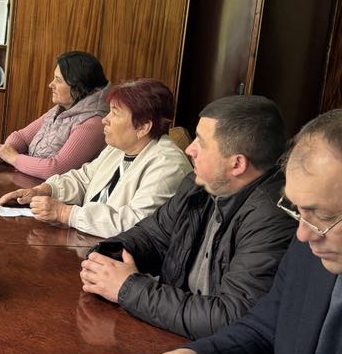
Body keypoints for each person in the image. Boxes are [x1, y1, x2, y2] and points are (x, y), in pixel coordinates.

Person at [136, 109, 342, 354]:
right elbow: (265, 330)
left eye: (323, 216)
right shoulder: (314, 244)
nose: (302, 234)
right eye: (297, 210)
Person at [80, 95, 295, 338]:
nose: (189, 149)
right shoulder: (198, 184)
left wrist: (127, 288)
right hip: (170, 331)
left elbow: (231, 318)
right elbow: (152, 235)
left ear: (237, 164)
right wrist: (105, 257)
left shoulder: (273, 219)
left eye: (200, 142)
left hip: (206, 350)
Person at [0, 79, 190, 235]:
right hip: (89, 242)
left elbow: (136, 224)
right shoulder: (118, 148)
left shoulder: (168, 165)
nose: (105, 119)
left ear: (143, 127)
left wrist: (65, 213)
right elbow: (84, 179)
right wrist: (43, 190)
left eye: (115, 113)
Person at [0, 51, 109, 179]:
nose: (51, 84)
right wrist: (6, 150)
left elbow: (56, 169)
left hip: (52, 189)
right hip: (32, 182)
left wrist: (14, 158)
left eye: (58, 80)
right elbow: (21, 137)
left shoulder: (94, 123)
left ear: (79, 86)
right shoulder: (60, 109)